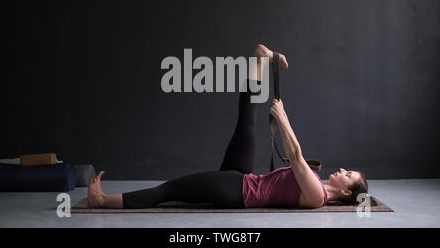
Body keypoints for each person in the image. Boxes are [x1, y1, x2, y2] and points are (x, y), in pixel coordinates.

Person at [87, 44, 368, 209]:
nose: (342, 170)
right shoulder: (316, 185)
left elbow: (295, 156)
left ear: (346, 192)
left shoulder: (317, 196)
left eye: (349, 174)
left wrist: (282, 117)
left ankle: (103, 201)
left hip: (236, 192)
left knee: (169, 190)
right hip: (246, 178)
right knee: (246, 117)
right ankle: (260, 59)